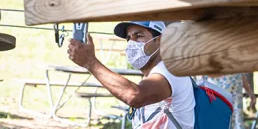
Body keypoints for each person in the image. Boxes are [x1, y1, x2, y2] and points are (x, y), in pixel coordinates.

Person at [67, 21, 195, 129]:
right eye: (128, 38)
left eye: (138, 36)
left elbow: (134, 96)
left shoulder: (171, 71)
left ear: (160, 40)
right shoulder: (153, 76)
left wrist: (91, 63)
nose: (131, 43)